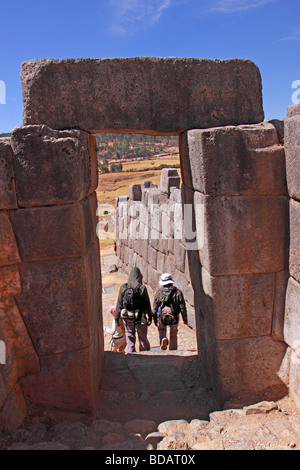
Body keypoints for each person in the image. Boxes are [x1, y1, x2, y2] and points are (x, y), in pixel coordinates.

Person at [115, 267, 152, 354]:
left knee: (130, 336)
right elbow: (147, 304)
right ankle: (145, 355)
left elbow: (119, 303)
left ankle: (130, 354)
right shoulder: (142, 288)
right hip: (140, 317)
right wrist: (150, 317)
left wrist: (116, 318)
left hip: (127, 316)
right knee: (142, 337)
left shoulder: (123, 288)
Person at [153, 273, 188, 351]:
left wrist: (155, 319)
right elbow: (182, 307)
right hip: (174, 316)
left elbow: (155, 307)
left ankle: (163, 339)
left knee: (162, 330)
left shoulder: (159, 293)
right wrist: (185, 318)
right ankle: (173, 350)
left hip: (162, 316)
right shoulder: (178, 292)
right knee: (173, 334)